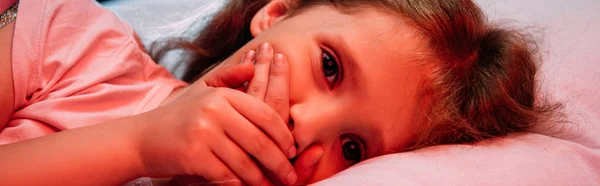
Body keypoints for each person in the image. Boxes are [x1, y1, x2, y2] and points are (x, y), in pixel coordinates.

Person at [0, 0, 562, 186]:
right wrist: (140, 145)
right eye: (329, 66)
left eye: (353, 149)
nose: (308, 126)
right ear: (276, 13)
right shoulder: (70, 40)